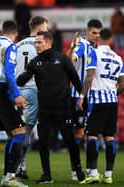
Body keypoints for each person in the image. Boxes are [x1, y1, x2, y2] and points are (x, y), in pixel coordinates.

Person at [17, 31, 86, 184]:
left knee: (70, 141)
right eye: (36, 42)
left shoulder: (62, 59)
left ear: (49, 43)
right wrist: (18, 78)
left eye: (39, 42)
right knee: (44, 143)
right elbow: (22, 80)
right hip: (45, 109)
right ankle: (46, 175)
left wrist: (82, 99)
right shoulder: (34, 62)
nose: (37, 45)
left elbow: (76, 80)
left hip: (63, 107)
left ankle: (78, 170)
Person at [77, 28, 124, 184]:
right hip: (113, 102)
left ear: (99, 39)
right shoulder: (118, 58)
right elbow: (123, 86)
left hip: (97, 100)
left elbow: (90, 77)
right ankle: (109, 175)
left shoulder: (95, 53)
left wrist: (82, 96)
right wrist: (112, 92)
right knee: (110, 136)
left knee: (92, 135)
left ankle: (93, 173)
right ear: (111, 39)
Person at [0, 20, 28, 187]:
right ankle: (10, 177)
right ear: (16, 33)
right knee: (20, 133)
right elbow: (9, 74)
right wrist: (17, 95)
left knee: (12, 135)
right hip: (2, 90)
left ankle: (7, 176)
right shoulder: (11, 47)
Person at [67, 19, 102, 181]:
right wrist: (73, 48)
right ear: (87, 32)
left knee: (88, 133)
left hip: (89, 96)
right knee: (80, 133)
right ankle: (76, 169)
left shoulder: (94, 49)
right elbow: (72, 59)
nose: (97, 36)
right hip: (78, 96)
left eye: (99, 33)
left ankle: (88, 169)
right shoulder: (82, 44)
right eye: (94, 32)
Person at [15, 15, 49, 179]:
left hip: (18, 90)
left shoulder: (18, 44)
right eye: (46, 28)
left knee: (20, 130)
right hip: (34, 89)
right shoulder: (41, 44)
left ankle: (17, 165)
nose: (47, 31)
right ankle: (19, 166)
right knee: (27, 131)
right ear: (41, 27)